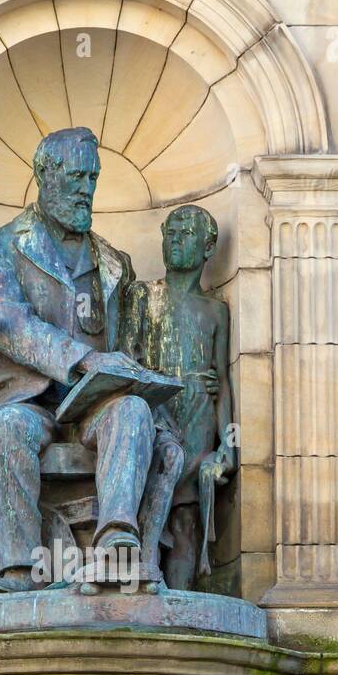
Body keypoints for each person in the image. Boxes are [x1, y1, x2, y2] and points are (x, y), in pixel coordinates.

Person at [0, 126, 181, 595]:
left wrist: (134, 376)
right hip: (27, 401)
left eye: (93, 178)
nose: (87, 188)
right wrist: (83, 359)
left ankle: (116, 543)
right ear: (43, 174)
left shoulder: (114, 262)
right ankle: (18, 571)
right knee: (3, 429)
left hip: (94, 404)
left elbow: (134, 341)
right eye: (77, 175)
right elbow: (10, 326)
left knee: (135, 411)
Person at [120, 204, 237, 590]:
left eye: (186, 235)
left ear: (207, 248)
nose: (175, 242)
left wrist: (228, 448)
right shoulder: (140, 295)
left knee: (185, 517)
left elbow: (222, 380)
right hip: (154, 409)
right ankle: (142, 588)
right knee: (147, 506)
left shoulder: (216, 311)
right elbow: (125, 359)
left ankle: (180, 600)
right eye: (170, 233)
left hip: (198, 417)